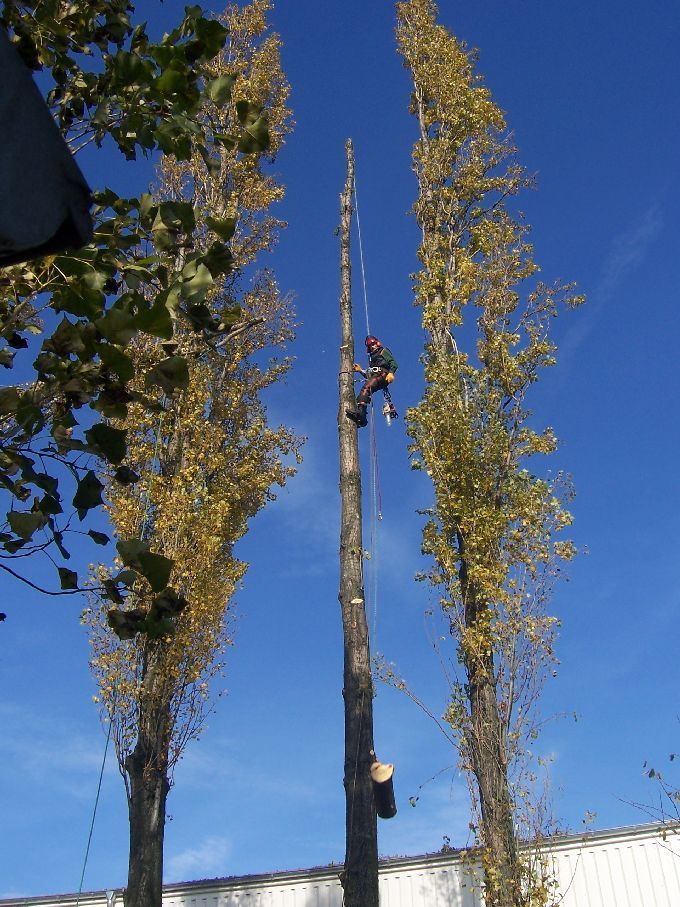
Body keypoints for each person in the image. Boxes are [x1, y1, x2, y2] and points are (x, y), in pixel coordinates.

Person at [346, 335, 398, 427]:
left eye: (373, 344)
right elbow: (369, 376)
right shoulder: (372, 358)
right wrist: (361, 371)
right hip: (377, 376)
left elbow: (393, 363)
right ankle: (362, 417)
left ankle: (361, 413)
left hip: (383, 375)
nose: (372, 346)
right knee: (366, 389)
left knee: (366, 388)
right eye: (370, 346)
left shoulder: (383, 351)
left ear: (377, 343)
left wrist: (391, 373)